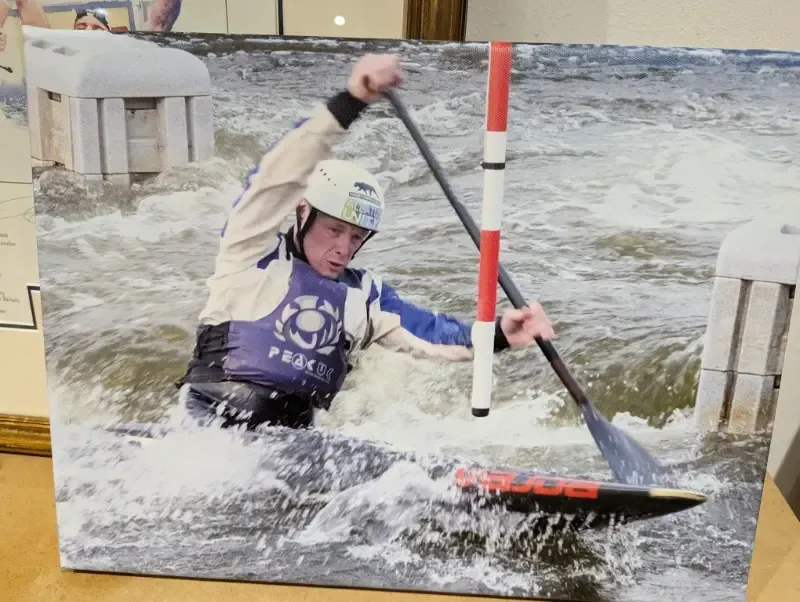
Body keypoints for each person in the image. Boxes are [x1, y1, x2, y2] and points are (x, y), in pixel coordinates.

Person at [175, 54, 555, 431]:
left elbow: (430, 334)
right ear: (303, 213)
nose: (344, 247)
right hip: (210, 423)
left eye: (357, 237)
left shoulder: (365, 295)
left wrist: (500, 335)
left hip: (293, 442)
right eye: (335, 230)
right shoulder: (250, 251)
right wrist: (351, 101)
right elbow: (280, 173)